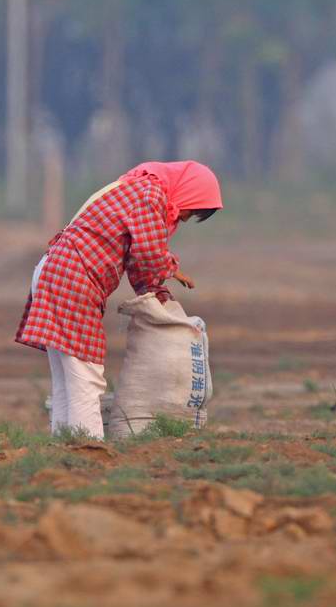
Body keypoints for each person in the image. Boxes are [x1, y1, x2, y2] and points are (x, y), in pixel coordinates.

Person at [15, 160, 223, 438]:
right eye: (190, 211)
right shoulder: (151, 195)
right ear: (188, 193)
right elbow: (148, 253)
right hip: (71, 275)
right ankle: (87, 449)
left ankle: (65, 446)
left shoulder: (139, 187)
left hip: (57, 269)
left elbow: (139, 258)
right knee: (86, 376)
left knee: (69, 378)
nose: (184, 218)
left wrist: (155, 286)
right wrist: (169, 272)